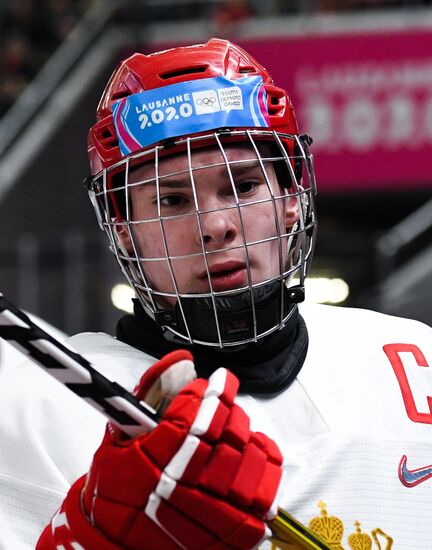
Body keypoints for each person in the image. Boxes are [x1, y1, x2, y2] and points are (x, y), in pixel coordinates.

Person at [1, 38, 431, 550]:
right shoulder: (36, 409)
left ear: (292, 197)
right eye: (172, 199)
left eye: (243, 186)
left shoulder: (411, 358)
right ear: (121, 229)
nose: (215, 226)